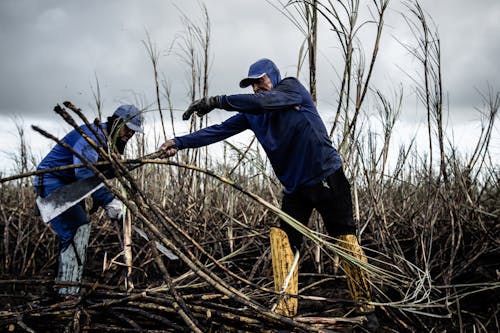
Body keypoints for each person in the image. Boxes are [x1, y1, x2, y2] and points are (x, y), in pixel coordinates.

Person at [159, 58, 378, 328]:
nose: (257, 88)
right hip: (296, 188)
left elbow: (263, 102)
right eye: (252, 85)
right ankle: (286, 309)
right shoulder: (254, 114)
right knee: (282, 238)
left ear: (273, 77)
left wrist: (215, 101)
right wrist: (178, 143)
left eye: (260, 81)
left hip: (326, 176)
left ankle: (367, 309)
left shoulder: (292, 90)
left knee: (344, 239)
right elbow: (219, 131)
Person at [35, 104, 143, 295]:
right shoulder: (93, 137)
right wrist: (108, 199)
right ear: (117, 123)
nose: (129, 135)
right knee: (78, 227)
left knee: (76, 230)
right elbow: (85, 171)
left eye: (133, 132)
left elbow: (101, 171)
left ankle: (63, 287)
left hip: (72, 186)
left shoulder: (108, 142)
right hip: (53, 181)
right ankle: (66, 292)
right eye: (127, 129)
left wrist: (128, 166)